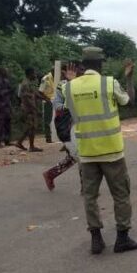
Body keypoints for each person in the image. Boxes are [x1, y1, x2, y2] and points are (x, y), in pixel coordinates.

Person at [65, 47, 137, 255]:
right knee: (121, 195)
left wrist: (71, 81)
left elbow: (69, 110)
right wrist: (129, 79)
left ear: (82, 65)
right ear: (100, 64)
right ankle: (122, 238)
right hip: (112, 151)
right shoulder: (109, 83)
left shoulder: (70, 87)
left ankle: (96, 240)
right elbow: (129, 102)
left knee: (90, 196)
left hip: (87, 153)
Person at [42, 63, 81, 191]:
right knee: (80, 156)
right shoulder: (62, 85)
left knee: (76, 156)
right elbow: (58, 106)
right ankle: (86, 187)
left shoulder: (83, 84)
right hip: (68, 127)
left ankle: (51, 174)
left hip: (78, 126)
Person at [16, 67, 47, 152]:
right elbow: (27, 99)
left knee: (30, 127)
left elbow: (35, 93)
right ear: (30, 74)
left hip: (29, 109)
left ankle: (21, 143)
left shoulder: (28, 83)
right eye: (34, 73)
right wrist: (36, 110)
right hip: (28, 109)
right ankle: (30, 146)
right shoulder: (25, 84)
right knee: (31, 127)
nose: (35, 75)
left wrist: (45, 98)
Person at [0, 67, 14, 147]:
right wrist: (8, 91)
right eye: (6, 72)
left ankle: (7, 140)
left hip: (7, 104)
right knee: (0, 123)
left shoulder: (6, 81)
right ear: (1, 72)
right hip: (0, 105)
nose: (7, 73)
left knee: (8, 122)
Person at [39, 67, 57, 143]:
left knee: (55, 120)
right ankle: (48, 137)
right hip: (48, 101)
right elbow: (40, 91)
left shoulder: (57, 78)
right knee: (48, 120)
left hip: (55, 101)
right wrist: (47, 99)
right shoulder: (46, 78)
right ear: (52, 71)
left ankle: (55, 136)